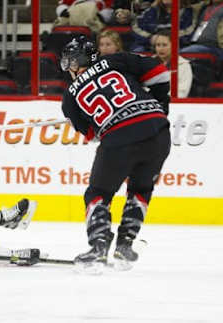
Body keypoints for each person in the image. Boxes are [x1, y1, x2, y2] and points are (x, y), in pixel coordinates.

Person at [59, 36, 171, 268]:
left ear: (79, 61)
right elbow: (160, 72)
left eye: (70, 62)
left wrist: (86, 121)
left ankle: (99, 247)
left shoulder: (70, 96)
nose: (68, 68)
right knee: (141, 188)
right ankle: (124, 246)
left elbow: (94, 135)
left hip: (120, 138)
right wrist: (158, 106)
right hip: (159, 130)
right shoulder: (116, 61)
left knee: (97, 193)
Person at [130, 0, 196, 52]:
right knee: (137, 51)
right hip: (149, 45)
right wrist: (151, 38)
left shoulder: (189, 12)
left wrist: (167, 39)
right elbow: (136, 28)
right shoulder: (151, 10)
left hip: (177, 47)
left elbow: (189, 32)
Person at [154, 29, 193, 98]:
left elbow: (182, 92)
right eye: (158, 45)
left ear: (174, 46)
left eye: (164, 45)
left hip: (172, 105)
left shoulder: (183, 65)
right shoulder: (148, 63)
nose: (160, 48)